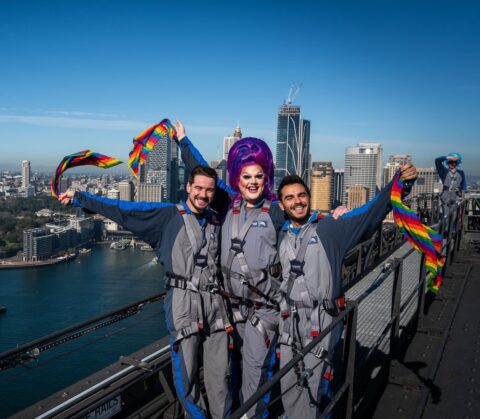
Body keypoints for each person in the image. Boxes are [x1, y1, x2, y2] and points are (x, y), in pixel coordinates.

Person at [174, 121, 347, 416]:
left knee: (255, 378)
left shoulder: (275, 209)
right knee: (235, 373)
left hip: (262, 311)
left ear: (265, 177)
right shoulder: (229, 203)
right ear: (237, 179)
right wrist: (183, 142)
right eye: (245, 176)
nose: (252, 182)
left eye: (258, 176)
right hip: (229, 310)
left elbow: (300, 213)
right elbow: (205, 175)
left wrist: (334, 216)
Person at [58, 165, 232, 418]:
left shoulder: (216, 219)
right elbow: (123, 210)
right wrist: (79, 198)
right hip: (183, 302)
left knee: (220, 373)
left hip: (214, 302)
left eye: (209, 190)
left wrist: (184, 142)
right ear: (188, 188)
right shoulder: (166, 216)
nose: (203, 194)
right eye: (198, 188)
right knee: (187, 372)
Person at [275, 164, 417, 418]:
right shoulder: (280, 233)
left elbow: (370, 212)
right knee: (290, 387)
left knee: (316, 388)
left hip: (322, 321)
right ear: (281, 205)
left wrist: (401, 183)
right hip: (290, 324)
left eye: (301, 195)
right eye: (290, 198)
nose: (297, 202)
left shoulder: (330, 228)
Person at [435, 153, 466, 235]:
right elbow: (437, 161)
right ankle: (444, 232)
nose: (451, 164)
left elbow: (463, 185)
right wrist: (447, 157)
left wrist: (463, 196)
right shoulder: (444, 172)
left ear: (457, 163)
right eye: (449, 162)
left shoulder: (461, 173)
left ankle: (451, 232)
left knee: (454, 216)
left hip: (456, 197)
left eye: (453, 162)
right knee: (445, 215)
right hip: (445, 197)